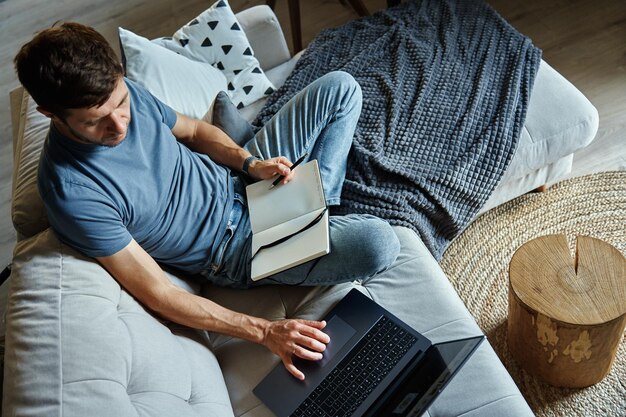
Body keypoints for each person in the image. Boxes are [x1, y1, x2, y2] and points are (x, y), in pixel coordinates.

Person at [14, 22, 400, 380]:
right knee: (379, 242)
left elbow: (196, 131)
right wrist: (265, 330)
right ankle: (312, 213)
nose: (119, 125)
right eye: (94, 121)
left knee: (341, 87)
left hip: (240, 183)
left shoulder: (126, 95)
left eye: (120, 104)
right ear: (50, 113)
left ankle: (311, 212)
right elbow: (160, 293)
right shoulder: (72, 192)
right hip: (235, 250)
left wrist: (251, 163)